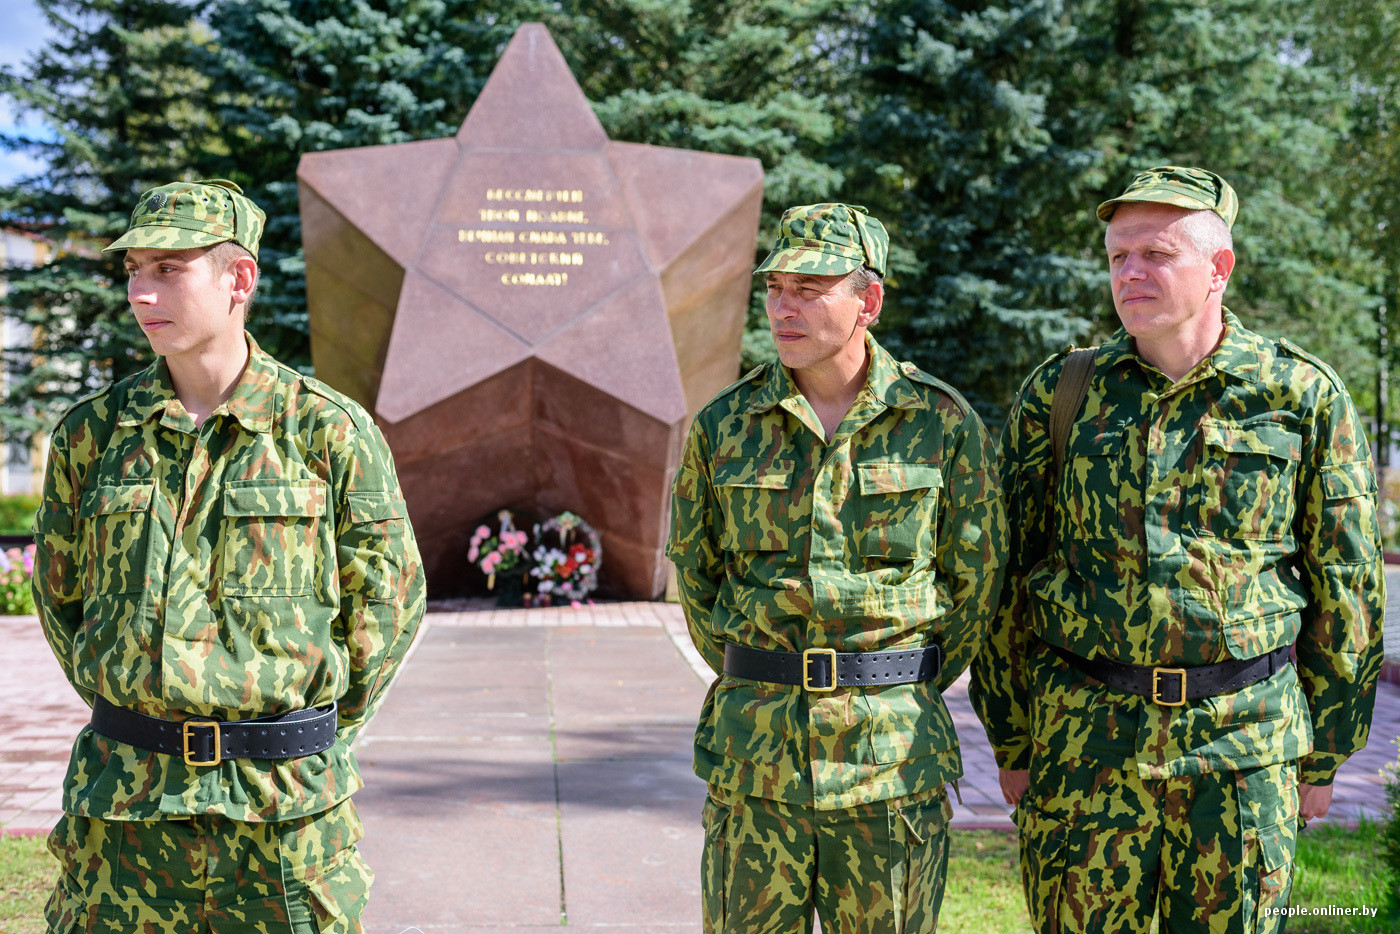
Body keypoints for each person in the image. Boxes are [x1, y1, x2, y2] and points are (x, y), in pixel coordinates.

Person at [971, 166, 1385, 933]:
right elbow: (1007, 579)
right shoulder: (1062, 394)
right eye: (1117, 256)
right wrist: (1013, 737)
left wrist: (1324, 751)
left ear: (1218, 268)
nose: (1129, 273)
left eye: (1155, 254)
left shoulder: (1298, 395)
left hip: (1243, 750)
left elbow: (1347, 581)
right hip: (1084, 750)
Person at [32, 179, 426, 933]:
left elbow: (388, 602)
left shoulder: (326, 433)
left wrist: (303, 729)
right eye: (133, 270)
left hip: (283, 818)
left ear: (237, 279)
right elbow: (64, 603)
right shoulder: (94, 436)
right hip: (127, 817)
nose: (142, 293)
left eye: (169, 269)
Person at [667, 202, 1006, 932]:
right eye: (775, 288)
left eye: (809, 289)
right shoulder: (725, 427)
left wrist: (886, 683)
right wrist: (765, 673)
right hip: (755, 765)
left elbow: (976, 584)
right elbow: (697, 579)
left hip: (889, 765)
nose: (783, 308)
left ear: (869, 301)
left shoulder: (940, 424)